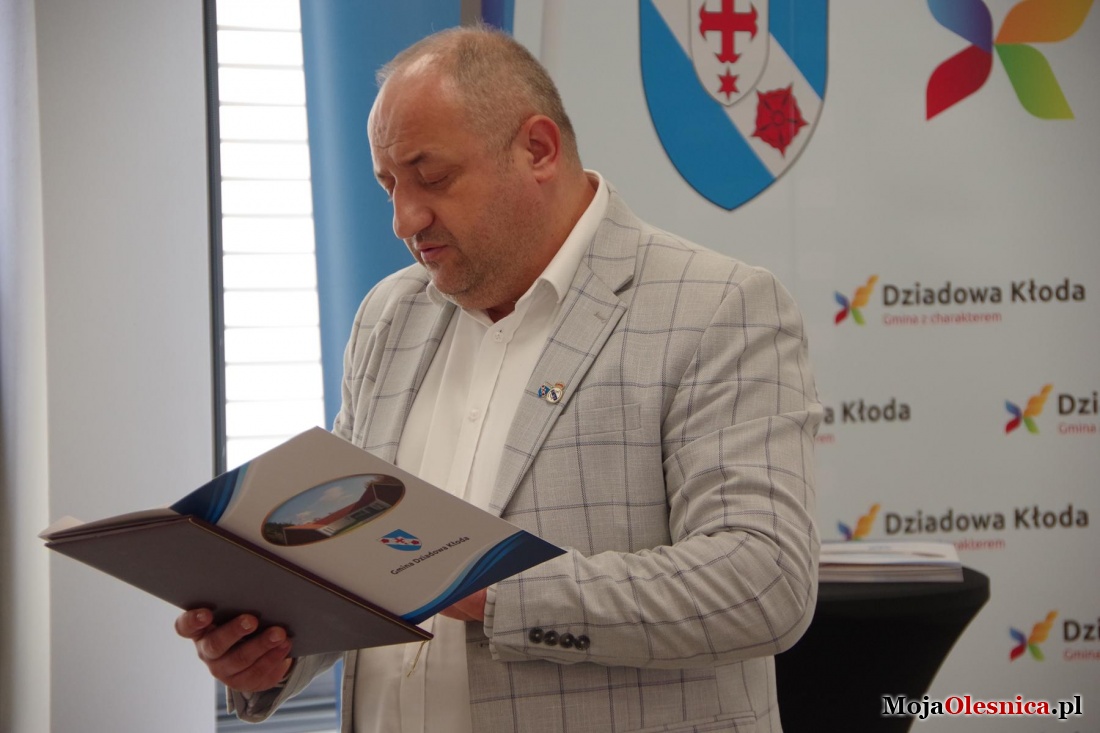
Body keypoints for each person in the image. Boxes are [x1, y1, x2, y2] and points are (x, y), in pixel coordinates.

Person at [176, 24, 821, 733]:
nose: (403, 219)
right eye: (389, 186)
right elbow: (354, 564)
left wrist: (488, 590)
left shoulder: (717, 307)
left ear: (537, 150)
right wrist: (276, 650)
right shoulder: (388, 316)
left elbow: (763, 581)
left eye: (432, 176)